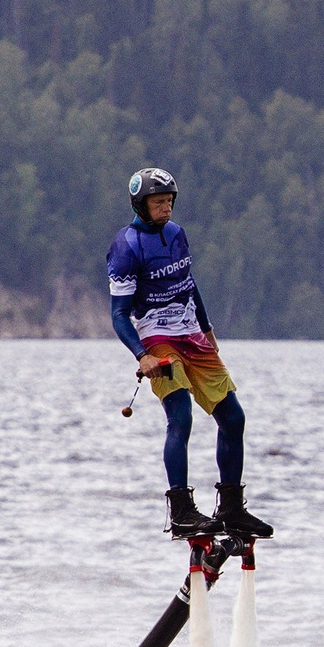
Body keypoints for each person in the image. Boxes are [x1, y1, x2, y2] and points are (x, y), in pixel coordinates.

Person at [107, 167, 274, 540]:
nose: (166, 208)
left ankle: (231, 509)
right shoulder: (126, 246)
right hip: (157, 340)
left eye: (169, 201)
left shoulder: (176, 234)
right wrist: (142, 355)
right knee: (180, 417)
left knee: (233, 417)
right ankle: (182, 511)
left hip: (191, 335)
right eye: (158, 202)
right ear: (140, 204)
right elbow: (118, 315)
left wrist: (207, 326)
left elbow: (188, 282)